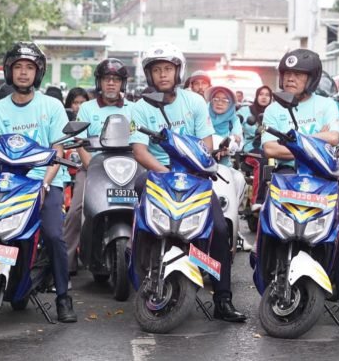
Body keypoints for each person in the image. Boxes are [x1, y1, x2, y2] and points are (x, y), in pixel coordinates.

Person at [130, 42, 246, 323]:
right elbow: (140, 150)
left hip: (195, 175)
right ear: (149, 75)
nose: (162, 75)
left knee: (219, 228)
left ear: (177, 71)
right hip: (159, 175)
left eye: (168, 69)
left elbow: (206, 143)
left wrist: (192, 168)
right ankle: (138, 273)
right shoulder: (139, 108)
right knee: (142, 222)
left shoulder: (194, 102)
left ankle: (222, 299)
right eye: (156, 70)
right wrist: (165, 173)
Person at [261, 48, 339, 327]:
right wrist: (306, 147)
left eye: (298, 74)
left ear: (312, 78)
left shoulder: (326, 105)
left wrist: (297, 141)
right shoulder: (274, 107)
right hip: (285, 181)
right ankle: (268, 280)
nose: (290, 79)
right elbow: (268, 146)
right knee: (268, 229)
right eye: (287, 74)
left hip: (323, 181)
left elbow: (333, 135)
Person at [0, 42, 77, 323]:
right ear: (9, 72)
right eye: (18, 67)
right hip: (8, 182)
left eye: (29, 68)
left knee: (52, 234)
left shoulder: (52, 106)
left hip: (45, 180)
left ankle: (63, 296)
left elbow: (58, 150)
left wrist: (45, 185)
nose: (23, 73)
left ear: (37, 73)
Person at [63, 58, 133, 275]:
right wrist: (92, 166)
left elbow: (139, 140)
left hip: (128, 167)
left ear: (123, 84)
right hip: (93, 167)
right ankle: (66, 263)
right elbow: (80, 142)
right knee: (76, 210)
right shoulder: (87, 108)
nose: (111, 83)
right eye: (106, 79)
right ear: (99, 82)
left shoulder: (135, 108)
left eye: (116, 79)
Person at [206, 86, 243, 164]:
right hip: (199, 162)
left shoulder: (234, 120)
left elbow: (238, 143)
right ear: (211, 101)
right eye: (216, 99)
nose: (219, 103)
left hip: (224, 165)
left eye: (225, 100)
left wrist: (227, 148)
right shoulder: (202, 116)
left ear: (231, 103)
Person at [237, 85, 273, 153]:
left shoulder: (273, 113)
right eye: (261, 94)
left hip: (270, 153)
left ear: (270, 98)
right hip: (248, 152)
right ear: (256, 96)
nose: (264, 97)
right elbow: (233, 124)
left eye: (267, 95)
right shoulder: (244, 111)